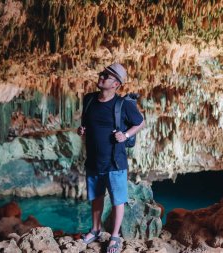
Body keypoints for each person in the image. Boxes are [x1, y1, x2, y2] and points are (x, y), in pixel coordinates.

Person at [77, 63, 145, 253]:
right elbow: (86, 122)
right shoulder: (89, 99)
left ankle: (115, 236)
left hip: (115, 162)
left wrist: (126, 135)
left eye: (106, 76)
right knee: (96, 198)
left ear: (116, 84)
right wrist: (82, 130)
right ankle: (95, 229)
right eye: (102, 74)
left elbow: (140, 123)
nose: (101, 77)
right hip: (93, 160)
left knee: (117, 200)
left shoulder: (123, 104)